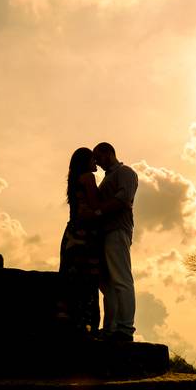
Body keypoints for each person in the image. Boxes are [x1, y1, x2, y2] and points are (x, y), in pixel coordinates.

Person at [93, 141, 138, 342]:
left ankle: (126, 328)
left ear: (108, 153)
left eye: (98, 157)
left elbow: (124, 198)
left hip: (117, 230)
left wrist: (99, 210)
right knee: (107, 285)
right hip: (105, 233)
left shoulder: (125, 172)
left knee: (121, 279)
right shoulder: (108, 178)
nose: (97, 162)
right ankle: (111, 329)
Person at [58, 147, 104, 333]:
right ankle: (86, 322)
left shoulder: (74, 179)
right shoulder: (88, 178)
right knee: (88, 277)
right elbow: (95, 204)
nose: (96, 163)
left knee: (70, 276)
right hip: (84, 236)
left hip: (71, 233)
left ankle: (67, 316)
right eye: (93, 159)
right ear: (86, 161)